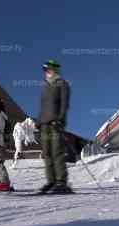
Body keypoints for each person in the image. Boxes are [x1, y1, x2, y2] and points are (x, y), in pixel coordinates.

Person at [38, 59, 72, 194]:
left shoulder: (62, 84)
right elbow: (43, 107)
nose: (47, 71)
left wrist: (60, 119)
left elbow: (64, 104)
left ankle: (61, 181)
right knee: (46, 153)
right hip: (44, 124)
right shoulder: (46, 86)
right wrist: (39, 121)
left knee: (56, 151)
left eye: (49, 69)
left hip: (55, 123)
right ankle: (51, 181)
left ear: (55, 69)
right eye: (45, 69)